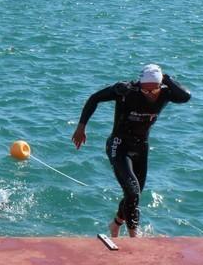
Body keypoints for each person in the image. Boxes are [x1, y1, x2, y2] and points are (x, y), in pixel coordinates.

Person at [71, 64, 191, 238]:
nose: (149, 94)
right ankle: (134, 236)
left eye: (154, 90)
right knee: (133, 191)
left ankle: (116, 224)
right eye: (145, 90)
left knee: (134, 194)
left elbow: (186, 96)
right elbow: (94, 98)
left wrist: (167, 79)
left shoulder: (166, 93)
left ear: (161, 85)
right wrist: (81, 127)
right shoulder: (126, 91)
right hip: (119, 145)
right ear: (139, 84)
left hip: (141, 147)